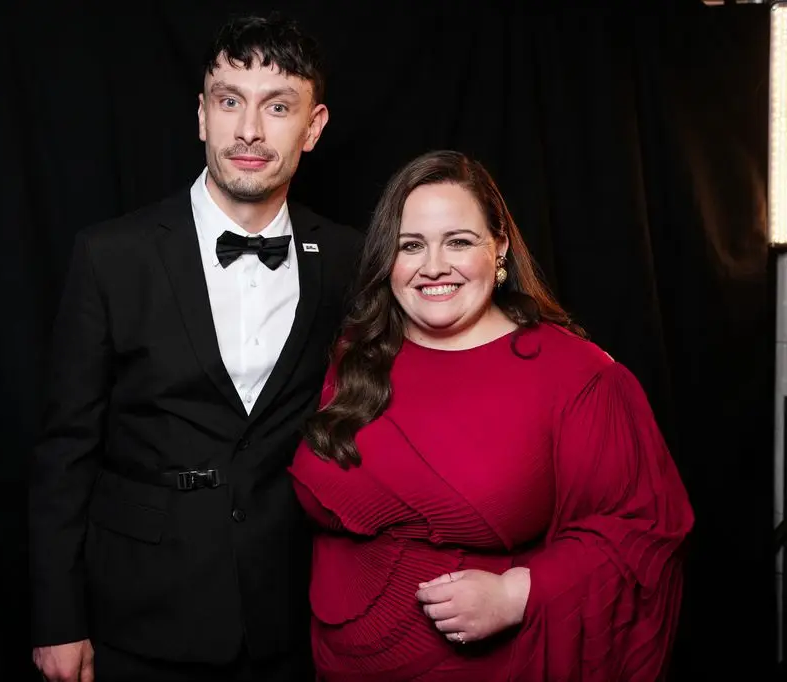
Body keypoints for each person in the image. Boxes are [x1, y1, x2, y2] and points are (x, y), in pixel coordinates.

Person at [29, 12, 362, 682]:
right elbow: (65, 448)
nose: (248, 130)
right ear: (203, 115)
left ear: (314, 126)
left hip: (290, 613)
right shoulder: (111, 255)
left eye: (277, 107)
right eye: (230, 101)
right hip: (138, 613)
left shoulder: (349, 258)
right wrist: (57, 618)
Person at [288, 150, 695, 681]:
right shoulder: (357, 352)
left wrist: (518, 593)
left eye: (458, 241)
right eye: (411, 245)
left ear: (499, 247)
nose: (433, 266)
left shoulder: (577, 375)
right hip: (338, 666)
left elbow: (644, 530)